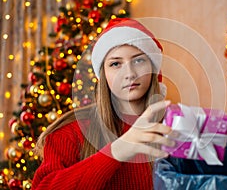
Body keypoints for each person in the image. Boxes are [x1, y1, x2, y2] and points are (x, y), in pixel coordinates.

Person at [32, 18, 175, 189]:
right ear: (103, 75)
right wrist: (117, 151)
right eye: (115, 64)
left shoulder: (175, 127)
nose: (129, 73)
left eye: (139, 60)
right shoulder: (69, 133)